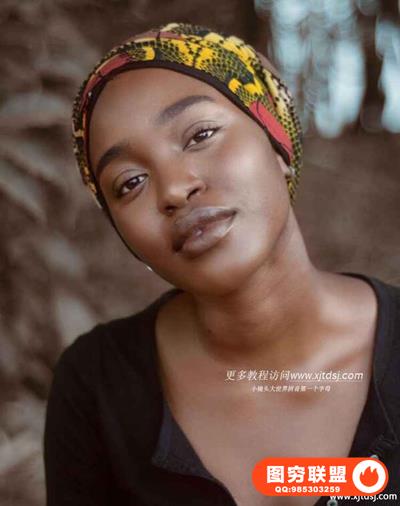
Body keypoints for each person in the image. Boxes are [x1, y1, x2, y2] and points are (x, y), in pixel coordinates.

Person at [43, 22, 400, 506]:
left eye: (201, 135)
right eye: (130, 182)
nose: (174, 188)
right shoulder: (96, 388)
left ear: (276, 143)